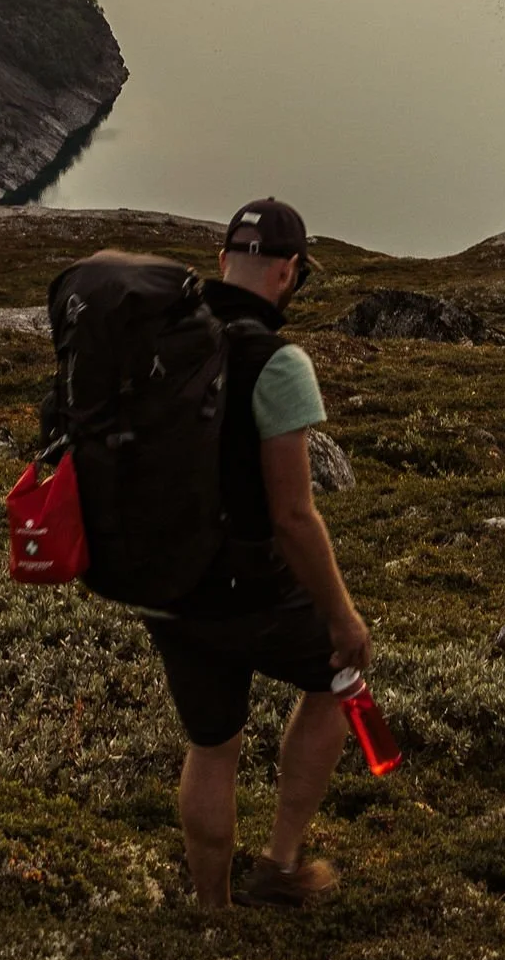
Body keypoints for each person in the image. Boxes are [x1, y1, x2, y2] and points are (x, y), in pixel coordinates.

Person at [137, 196, 372, 915]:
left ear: (221, 264)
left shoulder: (160, 339)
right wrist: (344, 619)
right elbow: (295, 517)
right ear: (289, 273)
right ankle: (279, 864)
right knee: (341, 680)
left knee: (213, 746)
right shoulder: (277, 363)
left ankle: (212, 908)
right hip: (244, 585)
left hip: (163, 583)